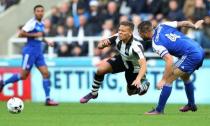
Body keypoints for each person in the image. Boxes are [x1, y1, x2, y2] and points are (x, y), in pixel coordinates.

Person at [138, 20, 205, 115]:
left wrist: (163, 80)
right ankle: (191, 104)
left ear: (146, 32)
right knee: (185, 76)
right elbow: (184, 23)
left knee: (169, 79)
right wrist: (194, 26)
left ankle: (159, 110)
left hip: (191, 55)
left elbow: (169, 60)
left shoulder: (156, 43)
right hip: (199, 49)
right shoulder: (162, 25)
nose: (140, 36)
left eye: (141, 34)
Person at [0, 5, 58, 106]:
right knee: (23, 76)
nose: (40, 13)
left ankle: (48, 99)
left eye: (41, 11)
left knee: (46, 73)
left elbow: (40, 36)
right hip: (30, 51)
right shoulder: (31, 23)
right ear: (34, 12)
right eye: (38, 11)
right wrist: (34, 35)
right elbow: (21, 34)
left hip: (38, 52)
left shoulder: (42, 23)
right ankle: (3, 83)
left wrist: (47, 42)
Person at [80, 21, 150, 103]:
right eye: (119, 30)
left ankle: (144, 86)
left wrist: (138, 79)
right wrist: (102, 44)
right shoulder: (116, 37)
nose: (120, 32)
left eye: (123, 31)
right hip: (122, 59)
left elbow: (144, 64)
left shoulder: (136, 46)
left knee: (130, 92)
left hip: (133, 67)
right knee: (100, 69)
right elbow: (100, 45)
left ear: (130, 33)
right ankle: (93, 93)